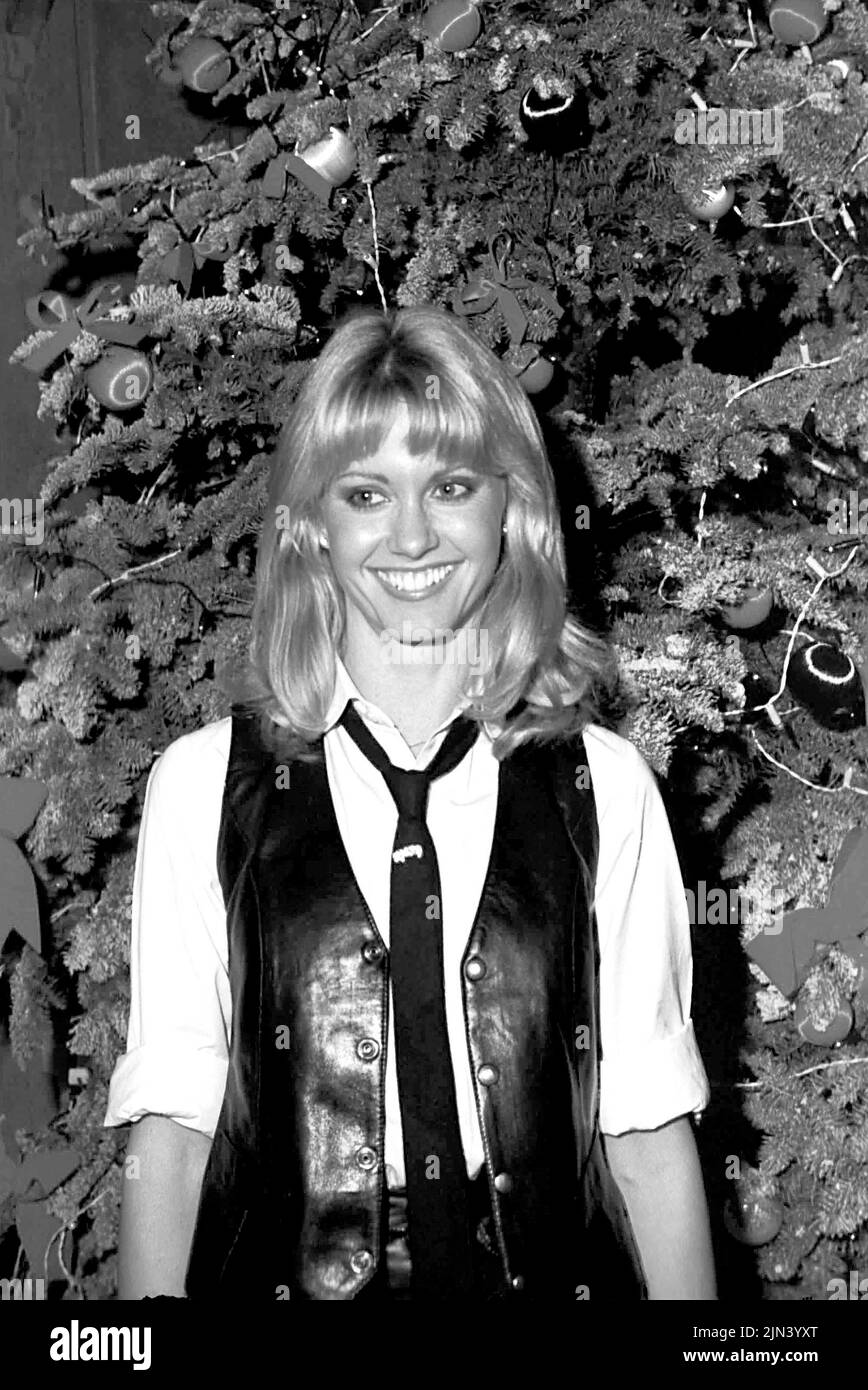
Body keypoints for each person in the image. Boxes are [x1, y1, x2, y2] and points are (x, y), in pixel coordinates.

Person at [105, 304, 715, 1301]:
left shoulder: (602, 787)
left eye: (451, 485)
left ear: (510, 509)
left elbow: (646, 1136)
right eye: (365, 492)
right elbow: (172, 1132)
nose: (413, 534)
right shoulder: (204, 788)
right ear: (310, 525)